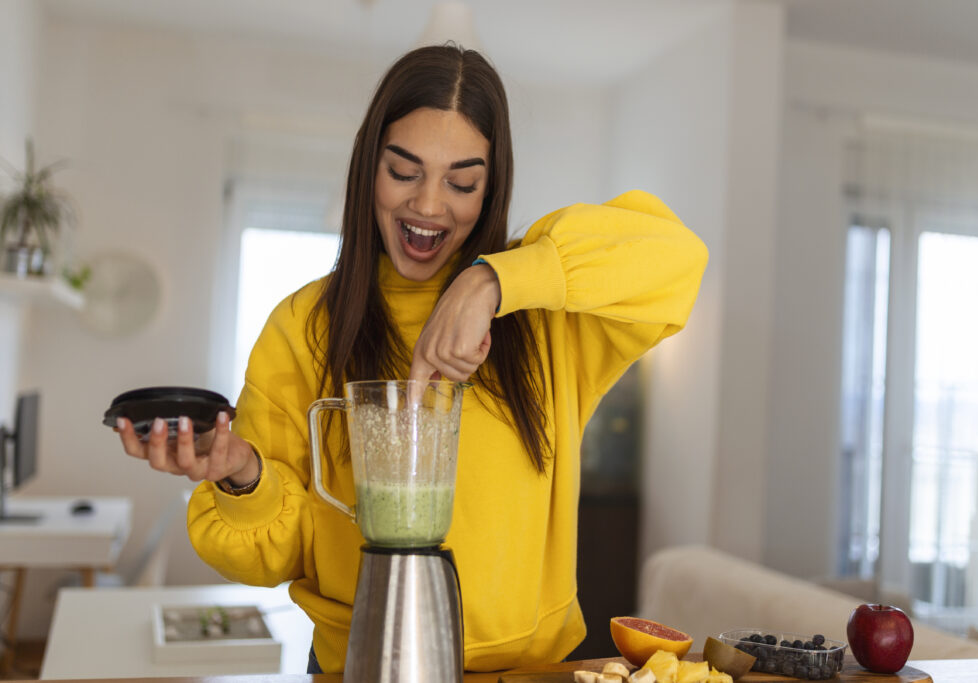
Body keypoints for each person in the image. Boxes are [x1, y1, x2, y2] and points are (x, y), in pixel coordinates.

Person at [116, 44, 708, 673]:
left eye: (462, 182)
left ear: (491, 186)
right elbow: (274, 553)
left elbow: (678, 258)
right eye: (404, 172)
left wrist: (492, 283)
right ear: (368, 166)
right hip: (361, 666)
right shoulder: (304, 327)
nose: (429, 205)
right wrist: (240, 473)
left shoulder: (545, 319)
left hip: (527, 672)